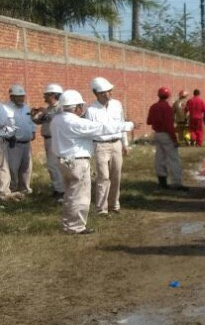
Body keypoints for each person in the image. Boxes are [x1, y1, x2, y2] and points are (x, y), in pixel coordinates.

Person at [51, 89, 134, 234]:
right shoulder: (75, 122)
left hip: (63, 161)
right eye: (80, 106)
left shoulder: (57, 120)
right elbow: (100, 128)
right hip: (77, 162)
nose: (82, 109)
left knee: (70, 194)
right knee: (81, 195)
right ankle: (76, 227)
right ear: (76, 107)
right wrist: (127, 126)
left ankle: (68, 224)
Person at [84, 77, 129, 216]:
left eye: (109, 91)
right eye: (104, 92)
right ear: (96, 93)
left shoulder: (117, 105)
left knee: (116, 175)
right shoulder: (91, 111)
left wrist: (125, 143)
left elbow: (122, 124)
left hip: (116, 143)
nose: (108, 94)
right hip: (101, 145)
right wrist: (89, 151)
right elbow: (88, 131)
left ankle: (114, 205)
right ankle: (101, 209)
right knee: (103, 177)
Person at [147, 86, 187, 190]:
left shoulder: (153, 107)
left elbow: (149, 121)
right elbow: (169, 126)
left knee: (160, 158)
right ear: (168, 96)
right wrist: (174, 139)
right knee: (174, 159)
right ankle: (177, 182)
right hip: (166, 134)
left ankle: (162, 181)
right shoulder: (167, 108)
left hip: (157, 134)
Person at [31, 83, 65, 201]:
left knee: (54, 165)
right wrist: (34, 116)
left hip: (56, 140)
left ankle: (61, 191)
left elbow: (59, 119)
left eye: (46, 95)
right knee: (52, 166)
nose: (44, 97)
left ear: (53, 95)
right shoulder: (49, 109)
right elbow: (39, 121)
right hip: (47, 139)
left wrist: (45, 112)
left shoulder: (61, 107)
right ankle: (58, 189)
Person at [4, 84, 36, 195]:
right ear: (12, 97)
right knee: (13, 168)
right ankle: (12, 189)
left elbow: (31, 121)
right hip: (13, 144)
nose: (22, 98)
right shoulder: (6, 109)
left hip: (27, 143)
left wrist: (33, 131)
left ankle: (25, 189)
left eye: (23, 96)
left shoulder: (26, 107)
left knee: (26, 167)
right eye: (19, 96)